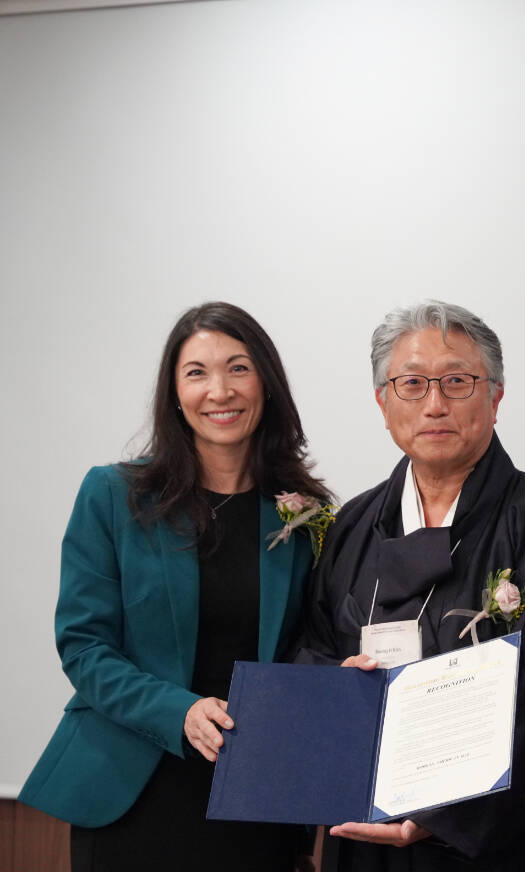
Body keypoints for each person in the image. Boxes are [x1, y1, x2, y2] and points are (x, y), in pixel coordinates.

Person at [294, 300, 525, 871]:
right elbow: (312, 649)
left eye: (457, 382)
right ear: (382, 402)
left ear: (496, 396)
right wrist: (339, 685)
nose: (434, 404)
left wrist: (442, 816)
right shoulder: (353, 526)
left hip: (499, 839)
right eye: (412, 383)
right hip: (367, 828)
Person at [19, 302, 331, 871]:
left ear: (266, 382)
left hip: (254, 796)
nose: (220, 391)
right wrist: (179, 711)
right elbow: (84, 647)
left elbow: (307, 649)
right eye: (196, 373)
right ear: (174, 393)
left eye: (238, 368)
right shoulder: (113, 495)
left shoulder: (305, 512)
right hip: (134, 791)